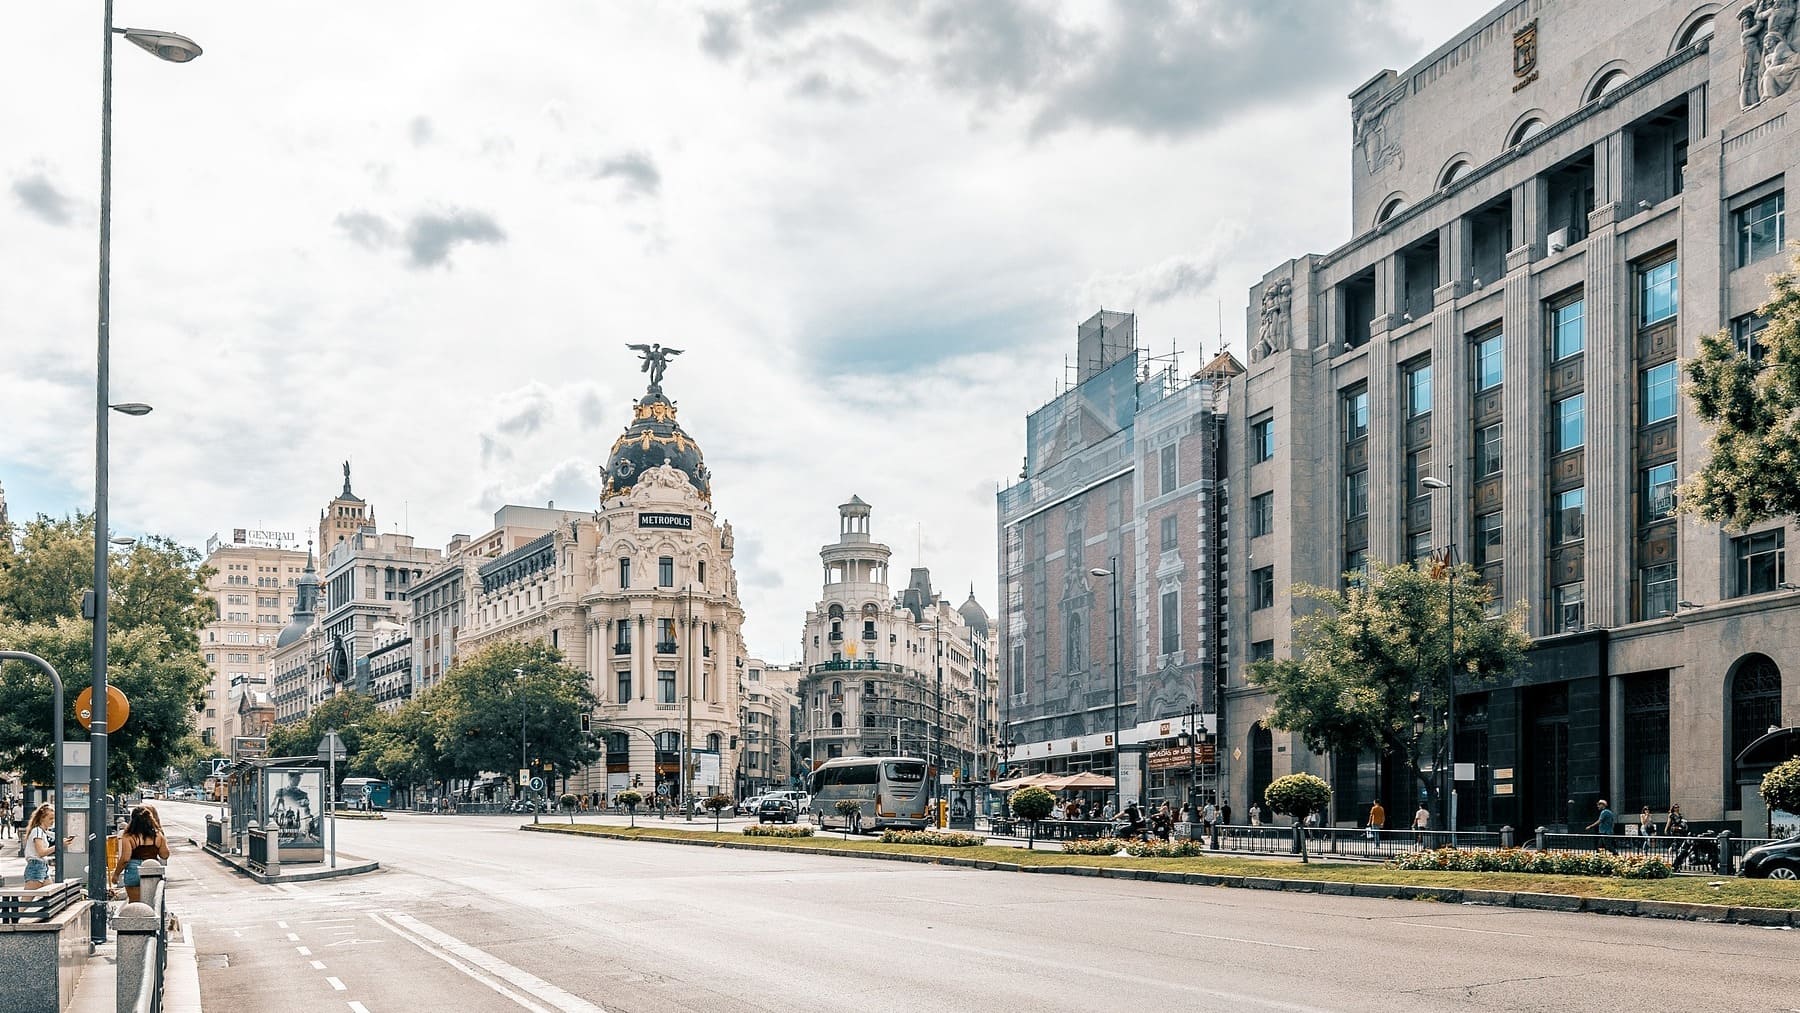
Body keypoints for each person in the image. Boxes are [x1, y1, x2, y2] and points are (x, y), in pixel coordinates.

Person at [111, 806, 170, 904]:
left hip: (134, 870)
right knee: (153, 903)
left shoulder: (128, 836)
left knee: (135, 904)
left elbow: (125, 859)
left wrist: (116, 875)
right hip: (152, 870)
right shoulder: (158, 835)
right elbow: (165, 855)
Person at [20, 803, 68, 890]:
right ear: (42, 818)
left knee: (52, 894)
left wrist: (63, 841)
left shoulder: (42, 831)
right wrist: (60, 845)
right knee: (28, 897)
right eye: (50, 818)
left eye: (53, 818)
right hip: (36, 867)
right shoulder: (37, 831)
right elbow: (41, 852)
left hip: (41, 867)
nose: (52, 821)